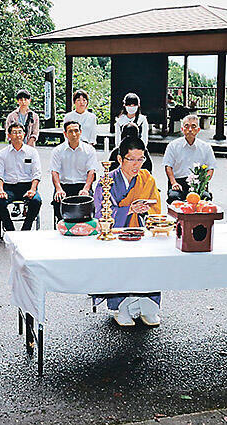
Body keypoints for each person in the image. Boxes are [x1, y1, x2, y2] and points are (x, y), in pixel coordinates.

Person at [92, 136, 163, 327]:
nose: (136, 165)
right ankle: (120, 307)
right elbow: (101, 213)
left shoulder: (146, 178)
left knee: (148, 265)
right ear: (120, 159)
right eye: (131, 159)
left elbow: (156, 208)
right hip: (118, 235)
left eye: (140, 159)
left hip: (141, 231)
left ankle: (149, 306)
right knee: (121, 267)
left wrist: (146, 210)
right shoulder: (108, 181)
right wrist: (129, 209)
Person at [0, 123, 42, 231]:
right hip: (9, 187)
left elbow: (37, 173)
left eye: (20, 132)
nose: (17, 135)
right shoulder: (3, 154)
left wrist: (33, 189)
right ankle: (10, 229)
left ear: (24, 134)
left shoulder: (32, 152)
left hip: (27, 186)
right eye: (14, 132)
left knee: (36, 201)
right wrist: (1, 190)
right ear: (9, 135)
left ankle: (26, 229)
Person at [50, 120, 100, 223]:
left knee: (88, 202)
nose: (74, 134)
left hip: (82, 185)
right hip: (64, 185)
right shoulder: (57, 151)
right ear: (65, 134)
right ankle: (62, 226)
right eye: (70, 131)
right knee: (58, 201)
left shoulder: (89, 150)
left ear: (81, 132)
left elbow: (91, 171)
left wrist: (86, 189)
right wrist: (58, 189)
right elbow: (54, 171)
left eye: (76, 131)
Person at [163, 114, 215, 203]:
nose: (190, 129)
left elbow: (210, 168)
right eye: (187, 126)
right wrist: (173, 183)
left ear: (198, 130)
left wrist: (203, 183)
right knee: (174, 198)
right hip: (179, 182)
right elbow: (168, 166)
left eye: (193, 126)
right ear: (182, 129)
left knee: (205, 199)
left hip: (198, 183)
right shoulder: (173, 146)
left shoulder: (206, 147)